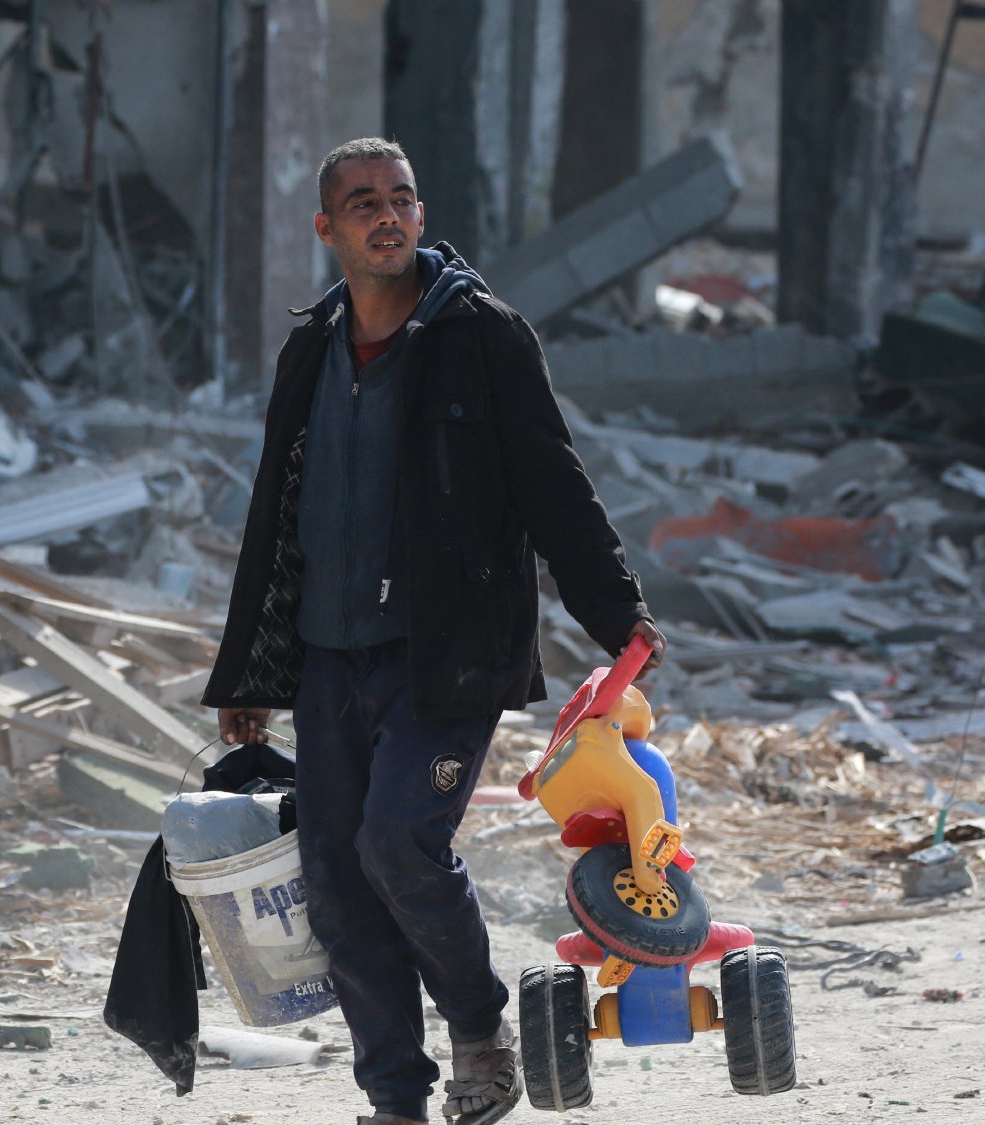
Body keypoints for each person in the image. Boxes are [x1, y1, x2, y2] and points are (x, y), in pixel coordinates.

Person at [202, 137, 663, 1125]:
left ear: (420, 213)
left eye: (401, 198)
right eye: (363, 202)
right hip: (329, 657)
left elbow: (553, 485)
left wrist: (618, 617)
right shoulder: (310, 350)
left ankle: (477, 1029)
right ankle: (395, 1103)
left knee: (396, 846)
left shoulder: (482, 335)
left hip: (444, 654)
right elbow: (275, 516)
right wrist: (247, 668)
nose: (388, 216)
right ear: (326, 228)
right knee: (334, 883)